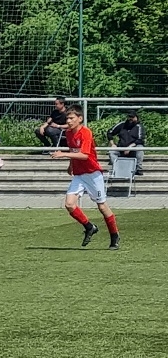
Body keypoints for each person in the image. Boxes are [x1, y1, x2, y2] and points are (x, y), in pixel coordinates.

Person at [51, 103, 120, 250]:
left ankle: (114, 236)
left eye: (71, 118)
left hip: (92, 174)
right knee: (69, 204)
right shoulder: (69, 133)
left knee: (102, 206)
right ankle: (89, 227)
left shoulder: (86, 133)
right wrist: (70, 165)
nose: (68, 121)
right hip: (79, 174)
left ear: (80, 118)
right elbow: (73, 150)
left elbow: (84, 155)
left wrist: (63, 154)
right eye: (67, 118)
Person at [106, 109, 145, 175]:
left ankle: (139, 169)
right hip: (121, 148)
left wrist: (130, 147)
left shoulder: (139, 127)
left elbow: (140, 140)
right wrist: (112, 144)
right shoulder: (122, 125)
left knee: (140, 148)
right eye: (129, 117)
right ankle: (117, 168)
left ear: (136, 117)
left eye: (132, 117)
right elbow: (110, 132)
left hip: (133, 150)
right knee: (112, 152)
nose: (130, 119)